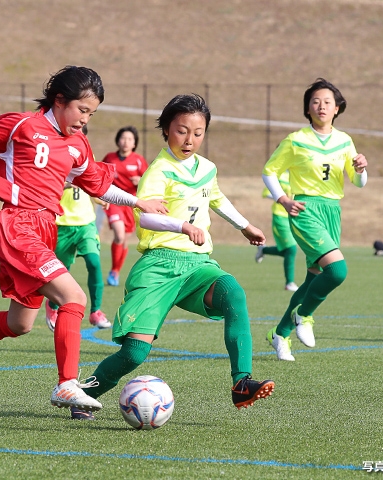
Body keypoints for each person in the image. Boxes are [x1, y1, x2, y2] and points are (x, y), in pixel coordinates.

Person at [0, 66, 167, 416]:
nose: (85, 120)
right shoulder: (22, 125)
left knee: (19, 324)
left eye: (92, 114)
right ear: (60, 101)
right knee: (73, 297)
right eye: (82, 110)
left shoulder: (77, 145)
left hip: (46, 228)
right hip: (17, 223)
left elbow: (96, 185)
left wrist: (137, 201)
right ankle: (66, 384)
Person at [71, 93, 275, 421]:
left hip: (197, 265)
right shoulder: (158, 170)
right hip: (159, 266)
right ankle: (84, 396)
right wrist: (182, 225)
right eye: (181, 131)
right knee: (135, 353)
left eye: (198, 133)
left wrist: (245, 226)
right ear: (166, 130)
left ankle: (241, 383)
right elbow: (146, 217)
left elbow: (217, 198)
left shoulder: (207, 169)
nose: (190, 139)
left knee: (233, 293)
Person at [262, 78, 368, 362]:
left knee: (313, 280)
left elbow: (358, 182)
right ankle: (304, 315)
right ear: (307, 108)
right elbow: (269, 172)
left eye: (327, 102)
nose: (321, 106)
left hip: (332, 211)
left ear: (337, 108)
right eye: (315, 102)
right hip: (305, 210)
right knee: (337, 271)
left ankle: (280, 334)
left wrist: (360, 169)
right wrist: (282, 199)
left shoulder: (344, 141)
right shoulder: (295, 140)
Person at [44, 182, 112, 332]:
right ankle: (52, 305)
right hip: (62, 225)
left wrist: (99, 198)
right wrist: (65, 185)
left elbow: (92, 183)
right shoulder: (53, 159)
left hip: (86, 225)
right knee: (61, 270)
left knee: (94, 263)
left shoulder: (87, 157)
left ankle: (96, 311)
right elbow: (44, 186)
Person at [101, 126, 148, 286]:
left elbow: (149, 182)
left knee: (125, 241)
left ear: (134, 143)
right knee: (119, 235)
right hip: (114, 202)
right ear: (118, 140)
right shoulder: (110, 158)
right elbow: (102, 177)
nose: (126, 142)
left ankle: (116, 271)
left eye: (130, 139)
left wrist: (140, 180)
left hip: (131, 204)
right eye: (123, 138)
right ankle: (114, 271)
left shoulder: (138, 160)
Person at [255, 170, 299, 292]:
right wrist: (283, 198)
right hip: (280, 216)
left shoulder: (298, 174)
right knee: (291, 248)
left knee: (287, 251)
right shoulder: (279, 175)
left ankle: (263, 249)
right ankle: (289, 283)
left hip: (294, 217)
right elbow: (266, 192)